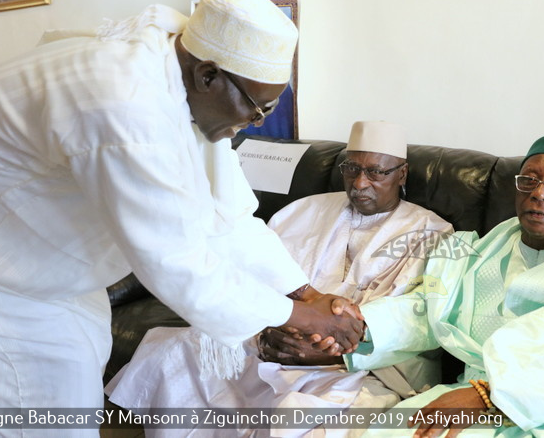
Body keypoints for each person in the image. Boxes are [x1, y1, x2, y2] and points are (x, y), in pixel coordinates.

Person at [0, 0, 361, 435]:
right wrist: (297, 316)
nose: (260, 121)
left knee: (70, 395)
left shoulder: (181, 80)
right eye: (258, 106)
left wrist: (303, 293)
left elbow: (223, 217)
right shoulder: (123, 99)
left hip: (35, 269)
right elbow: (174, 259)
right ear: (209, 76)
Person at [105, 121, 457, 437]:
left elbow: (417, 318)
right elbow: (247, 274)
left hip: (354, 365)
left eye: (376, 173)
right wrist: (265, 333)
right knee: (174, 351)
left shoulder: (431, 233)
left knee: (316, 417)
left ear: (402, 174)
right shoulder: (303, 210)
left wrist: (328, 352)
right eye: (351, 168)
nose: (360, 183)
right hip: (269, 339)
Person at [340, 132, 544, 437]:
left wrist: (491, 395)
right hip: (467, 396)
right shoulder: (481, 252)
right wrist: (359, 325)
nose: (539, 193)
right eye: (529, 181)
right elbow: (428, 310)